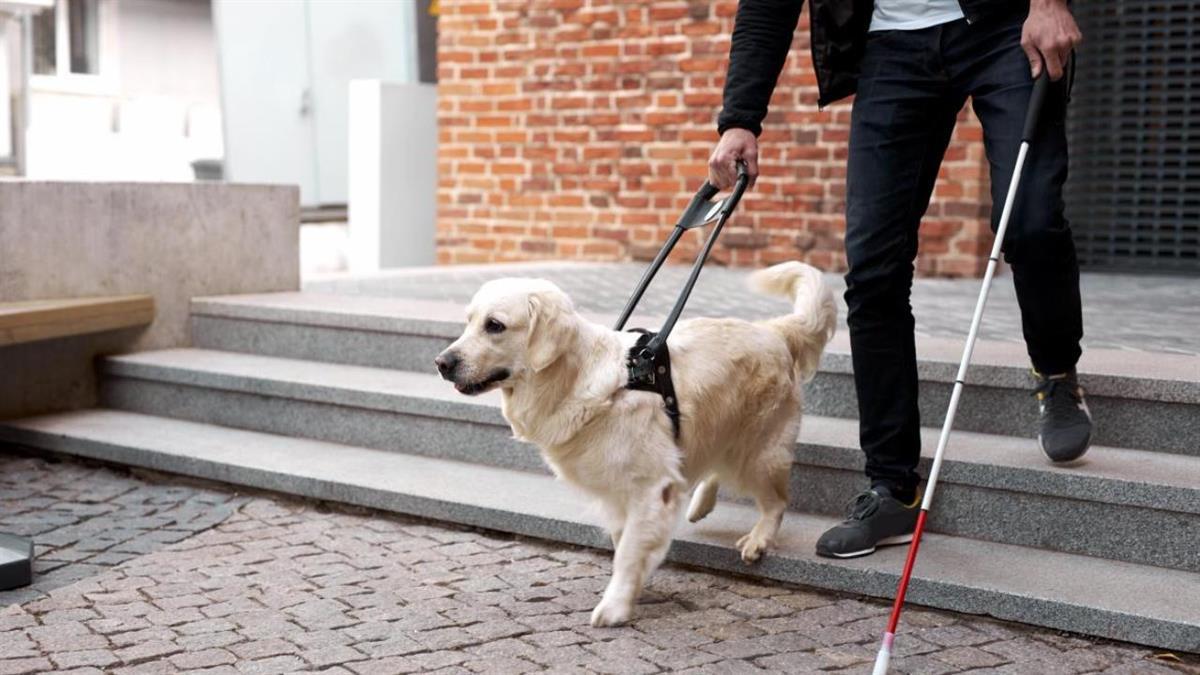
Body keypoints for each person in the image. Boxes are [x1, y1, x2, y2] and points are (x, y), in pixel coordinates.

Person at [708, 0, 1092, 559]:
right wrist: (741, 118)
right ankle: (892, 486)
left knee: (1029, 221)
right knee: (874, 270)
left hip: (1005, 23)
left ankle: (1057, 371)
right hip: (892, 46)